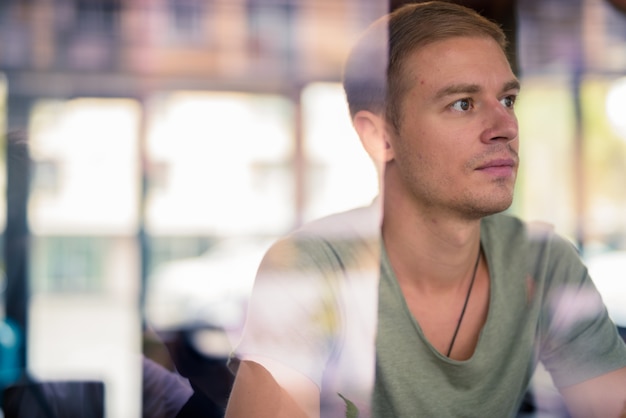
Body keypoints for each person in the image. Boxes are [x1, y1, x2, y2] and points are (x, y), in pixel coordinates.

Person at [225, 2, 626, 417]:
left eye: (507, 100)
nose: (505, 127)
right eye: (463, 104)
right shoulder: (314, 269)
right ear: (380, 136)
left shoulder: (542, 262)